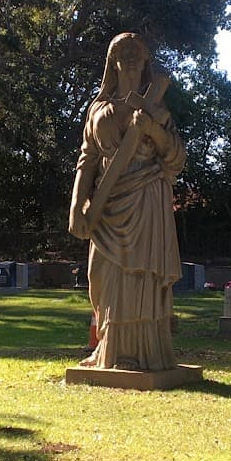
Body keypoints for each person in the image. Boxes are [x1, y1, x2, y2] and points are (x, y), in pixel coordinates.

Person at [67, 33, 186, 372]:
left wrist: (151, 128)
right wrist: (77, 204)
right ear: (113, 60)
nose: (131, 56)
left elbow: (176, 157)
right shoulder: (98, 109)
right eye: (123, 51)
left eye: (137, 51)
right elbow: (88, 159)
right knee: (100, 276)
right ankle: (108, 346)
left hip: (145, 196)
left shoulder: (157, 108)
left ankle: (142, 353)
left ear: (146, 59)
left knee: (140, 276)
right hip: (106, 204)